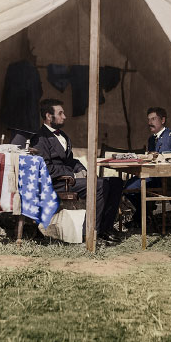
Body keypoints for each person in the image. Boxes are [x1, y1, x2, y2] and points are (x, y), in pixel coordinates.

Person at [31, 98, 124, 243]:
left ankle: (106, 229)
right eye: (60, 113)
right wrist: (72, 174)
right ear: (49, 116)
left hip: (70, 179)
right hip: (56, 183)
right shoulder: (40, 138)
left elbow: (71, 160)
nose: (64, 116)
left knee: (116, 182)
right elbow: (46, 168)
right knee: (100, 185)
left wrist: (81, 169)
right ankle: (91, 233)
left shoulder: (64, 136)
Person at [123, 107, 171, 226]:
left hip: (169, 179)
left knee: (131, 187)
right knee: (127, 187)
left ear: (163, 120)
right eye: (148, 120)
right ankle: (146, 211)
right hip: (155, 177)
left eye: (153, 119)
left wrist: (160, 157)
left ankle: (141, 216)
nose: (150, 123)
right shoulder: (152, 139)